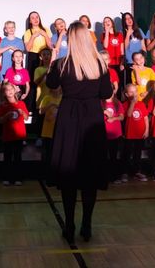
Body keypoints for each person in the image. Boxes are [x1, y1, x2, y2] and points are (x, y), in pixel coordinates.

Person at [46, 21, 112, 244]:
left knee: (69, 174)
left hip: (69, 119)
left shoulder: (62, 64)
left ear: (71, 40)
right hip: (92, 118)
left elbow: (51, 84)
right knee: (90, 174)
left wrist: (53, 60)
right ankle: (87, 224)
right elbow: (106, 93)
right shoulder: (99, 64)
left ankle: (70, 224)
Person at [0, 82, 28, 186]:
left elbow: (26, 118)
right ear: (4, 93)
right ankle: (7, 177)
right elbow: (0, 120)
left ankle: (18, 178)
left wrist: (22, 112)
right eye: (7, 90)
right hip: (7, 136)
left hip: (19, 135)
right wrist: (7, 115)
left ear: (15, 90)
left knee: (18, 157)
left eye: (11, 89)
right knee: (7, 157)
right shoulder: (3, 106)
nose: (9, 91)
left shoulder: (21, 104)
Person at [122, 83, 149, 183]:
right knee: (127, 154)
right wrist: (132, 103)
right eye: (131, 92)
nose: (134, 94)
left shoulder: (141, 104)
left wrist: (147, 130)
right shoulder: (125, 104)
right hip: (129, 134)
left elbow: (145, 118)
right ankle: (124, 172)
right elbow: (129, 114)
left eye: (135, 91)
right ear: (126, 94)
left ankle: (137, 172)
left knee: (137, 154)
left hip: (140, 134)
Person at [103, 90, 124, 184]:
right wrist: (104, 111)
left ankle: (114, 176)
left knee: (113, 156)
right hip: (103, 134)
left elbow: (122, 117)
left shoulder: (117, 103)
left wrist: (113, 118)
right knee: (103, 156)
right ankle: (104, 176)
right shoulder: (100, 102)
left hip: (115, 134)